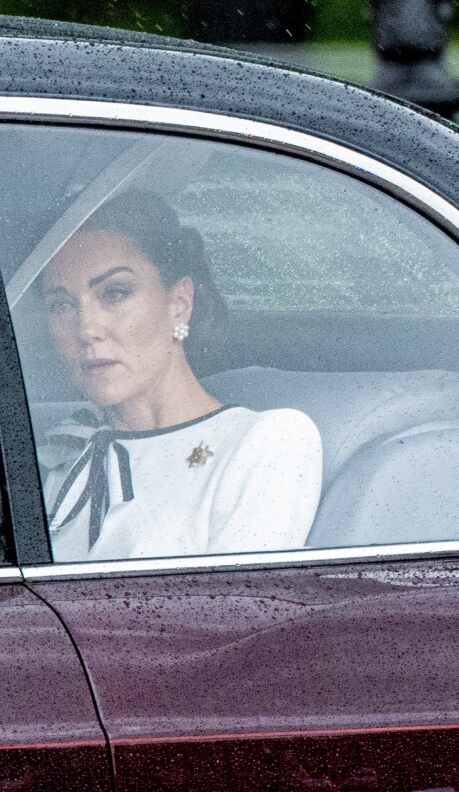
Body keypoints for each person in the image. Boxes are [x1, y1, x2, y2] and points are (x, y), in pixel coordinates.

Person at [38, 190, 322, 562]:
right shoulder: (63, 447)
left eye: (115, 293)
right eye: (62, 304)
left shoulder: (263, 442)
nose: (87, 328)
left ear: (179, 303)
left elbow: (237, 612)